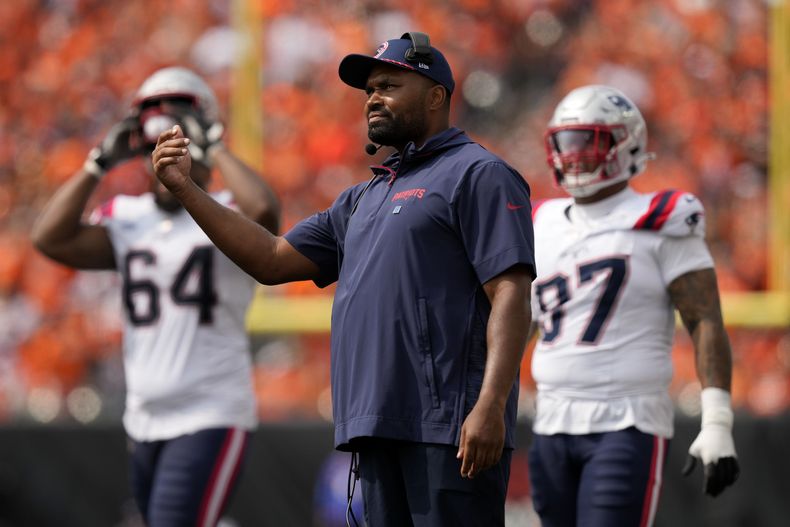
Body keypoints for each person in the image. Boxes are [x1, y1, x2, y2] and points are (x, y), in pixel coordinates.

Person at [151, 32, 535, 526]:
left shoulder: (477, 173)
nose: (373, 98)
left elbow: (510, 292)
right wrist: (186, 191)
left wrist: (491, 404)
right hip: (375, 426)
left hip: (449, 429)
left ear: (436, 95)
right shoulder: (360, 199)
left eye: (390, 85)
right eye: (370, 89)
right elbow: (271, 258)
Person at [31, 66, 281, 527]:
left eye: (180, 140)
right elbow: (49, 238)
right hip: (144, 417)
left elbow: (264, 210)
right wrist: (97, 163)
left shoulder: (225, 213)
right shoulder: (128, 216)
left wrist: (213, 144)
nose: (162, 156)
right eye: (155, 145)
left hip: (210, 410)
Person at [526, 84, 740, 527]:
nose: (574, 154)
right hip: (549, 420)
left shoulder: (663, 216)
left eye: (588, 140)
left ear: (627, 143)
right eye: (565, 142)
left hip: (627, 420)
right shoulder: (540, 221)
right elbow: (518, 324)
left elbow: (703, 319)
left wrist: (717, 418)